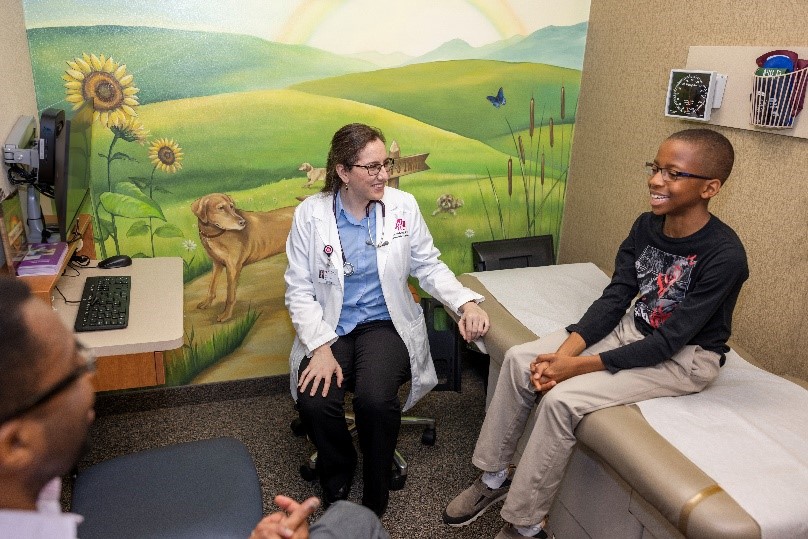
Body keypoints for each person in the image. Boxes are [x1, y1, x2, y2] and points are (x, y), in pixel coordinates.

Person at [442, 128, 748, 538]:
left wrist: (572, 370)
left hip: (685, 358)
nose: (656, 181)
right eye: (655, 168)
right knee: (519, 359)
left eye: (673, 174)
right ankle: (494, 477)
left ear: (710, 187)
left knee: (562, 401)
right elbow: (615, 298)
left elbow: (669, 341)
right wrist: (564, 355)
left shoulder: (725, 255)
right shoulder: (647, 226)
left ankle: (525, 523)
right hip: (634, 328)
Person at [0, 276, 387, 539]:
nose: (90, 381)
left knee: (350, 516)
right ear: (16, 443)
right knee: (356, 520)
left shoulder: (29, 496)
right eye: (75, 368)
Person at [285, 123, 490, 516]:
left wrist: (465, 304)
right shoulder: (310, 215)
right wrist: (320, 347)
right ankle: (338, 474)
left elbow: (429, 267)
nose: (384, 175)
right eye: (373, 167)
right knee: (314, 401)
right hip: (331, 327)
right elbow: (299, 289)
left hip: (385, 324)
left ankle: (375, 495)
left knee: (376, 402)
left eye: (387, 164)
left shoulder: (403, 207)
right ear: (344, 172)